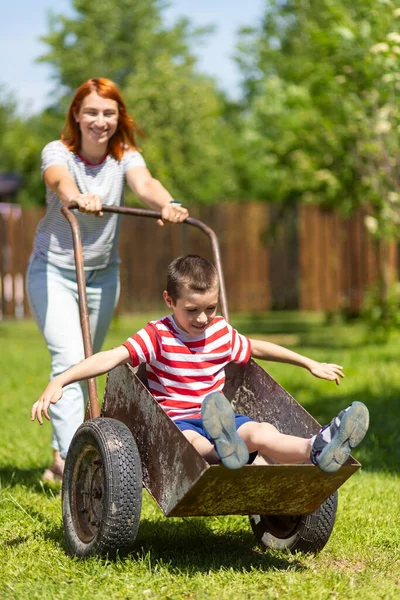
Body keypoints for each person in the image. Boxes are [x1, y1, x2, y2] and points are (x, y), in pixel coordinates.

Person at [31, 255, 369, 473]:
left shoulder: (220, 331)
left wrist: (309, 362)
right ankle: (226, 451)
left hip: (218, 415)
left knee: (261, 431)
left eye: (210, 307)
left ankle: (316, 447)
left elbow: (257, 348)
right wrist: (61, 379)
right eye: (192, 310)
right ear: (170, 300)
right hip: (176, 424)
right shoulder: (159, 335)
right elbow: (112, 357)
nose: (203, 318)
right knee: (194, 445)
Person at [26, 77, 188, 483]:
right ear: (77, 115)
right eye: (93, 112)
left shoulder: (124, 156)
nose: (101, 121)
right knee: (68, 360)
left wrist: (167, 203)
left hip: (102, 273)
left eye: (109, 113)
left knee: (87, 366)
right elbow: (59, 180)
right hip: (54, 269)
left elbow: (145, 184)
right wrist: (76, 195)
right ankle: (71, 461)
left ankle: (62, 452)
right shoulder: (57, 152)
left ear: (119, 117)